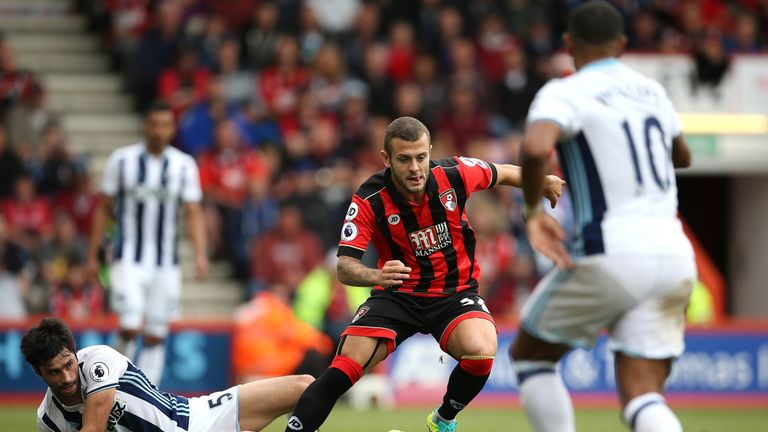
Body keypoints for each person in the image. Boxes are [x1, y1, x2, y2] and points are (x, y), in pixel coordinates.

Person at [284, 116, 564, 432]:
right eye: (404, 159)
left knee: (482, 352)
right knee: (346, 364)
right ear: (386, 159)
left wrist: (543, 181)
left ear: (430, 151)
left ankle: (442, 419)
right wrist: (376, 276)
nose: (415, 168)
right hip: (397, 295)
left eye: (421, 157)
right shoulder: (369, 198)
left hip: (454, 293)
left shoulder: (454, 174)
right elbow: (344, 266)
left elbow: (504, 172)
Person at [508, 3, 696, 432]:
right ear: (623, 45)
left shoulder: (565, 91)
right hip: (674, 253)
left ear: (569, 44)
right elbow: (681, 155)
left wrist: (534, 212)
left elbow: (537, 148)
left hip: (612, 248)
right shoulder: (652, 91)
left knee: (531, 354)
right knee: (643, 394)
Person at [86, 101, 209, 386]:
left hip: (166, 263)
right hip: (128, 257)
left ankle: (145, 394)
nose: (158, 130)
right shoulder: (122, 160)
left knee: (156, 332)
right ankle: (105, 384)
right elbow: (103, 208)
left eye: (164, 125)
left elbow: (193, 212)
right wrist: (92, 255)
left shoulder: (183, 165)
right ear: (146, 126)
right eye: (154, 124)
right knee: (129, 325)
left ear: (171, 129)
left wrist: (201, 254)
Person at [21, 317, 313, 432]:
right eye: (55, 372)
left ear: (75, 353)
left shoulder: (98, 360)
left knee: (305, 388)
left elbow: (94, 427)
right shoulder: (48, 419)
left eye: (69, 364)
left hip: (195, 418)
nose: (68, 377)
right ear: (38, 373)